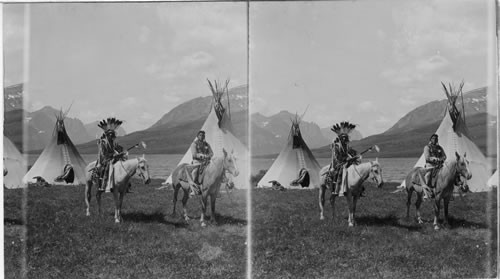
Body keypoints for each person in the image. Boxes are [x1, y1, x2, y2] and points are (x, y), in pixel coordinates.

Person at [329, 121, 361, 196]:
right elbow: (336, 156)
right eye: (342, 138)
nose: (344, 139)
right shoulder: (336, 146)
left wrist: (355, 156)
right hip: (339, 163)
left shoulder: (346, 146)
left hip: (346, 162)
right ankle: (337, 189)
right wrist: (344, 160)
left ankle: (359, 189)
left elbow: (350, 152)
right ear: (340, 138)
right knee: (340, 172)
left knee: (357, 169)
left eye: (345, 138)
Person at [96, 118, 125, 192]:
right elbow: (103, 153)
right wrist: (113, 155)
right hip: (105, 160)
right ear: (107, 135)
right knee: (108, 165)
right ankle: (104, 185)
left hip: (113, 158)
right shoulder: (103, 142)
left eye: (112, 135)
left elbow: (117, 148)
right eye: (110, 135)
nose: (111, 136)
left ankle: (126, 185)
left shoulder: (113, 142)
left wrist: (120, 152)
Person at [187, 130, 213, 196]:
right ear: (197, 136)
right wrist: (202, 155)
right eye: (200, 135)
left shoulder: (207, 144)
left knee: (214, 169)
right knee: (194, 172)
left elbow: (211, 153)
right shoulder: (194, 144)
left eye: (203, 135)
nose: (202, 137)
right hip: (197, 161)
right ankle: (193, 189)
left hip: (206, 162)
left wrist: (209, 156)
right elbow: (194, 154)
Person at [422, 133, 447, 199]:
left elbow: (444, 156)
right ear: (430, 139)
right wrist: (435, 159)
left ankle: (448, 192)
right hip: (430, 166)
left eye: (436, 139)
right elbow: (427, 157)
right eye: (433, 138)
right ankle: (426, 192)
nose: (435, 140)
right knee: (428, 176)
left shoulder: (440, 148)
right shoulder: (427, 147)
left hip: (439, 166)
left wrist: (441, 159)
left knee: (448, 174)